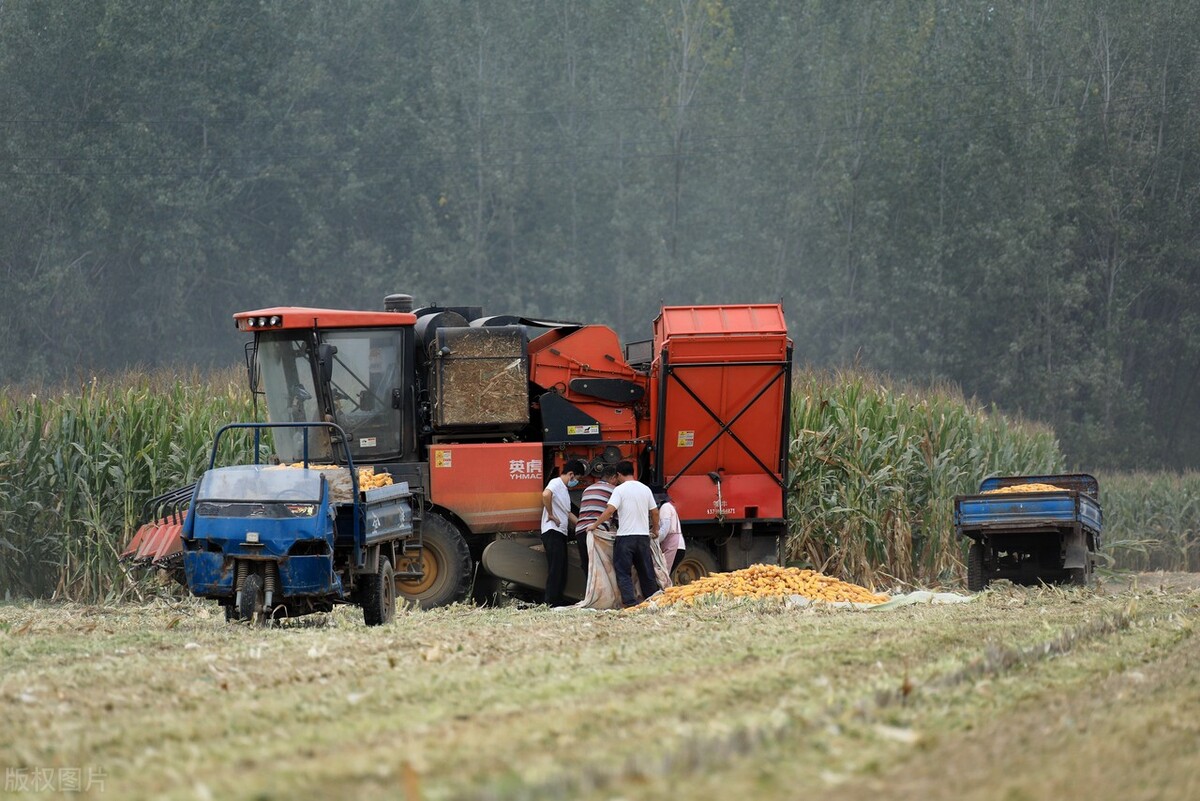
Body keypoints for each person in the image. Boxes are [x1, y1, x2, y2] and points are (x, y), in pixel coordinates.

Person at [585, 461, 660, 608]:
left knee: (623, 572)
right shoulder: (645, 489)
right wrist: (655, 529)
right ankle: (653, 601)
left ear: (618, 474)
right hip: (643, 538)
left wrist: (594, 525)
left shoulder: (619, 490)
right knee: (646, 572)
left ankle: (630, 604)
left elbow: (610, 511)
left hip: (625, 538)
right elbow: (655, 512)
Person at [540, 459, 586, 607]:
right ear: (571, 474)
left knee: (561, 567)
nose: (576, 482)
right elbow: (546, 495)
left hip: (560, 532)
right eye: (577, 479)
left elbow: (568, 514)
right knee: (555, 567)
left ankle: (557, 599)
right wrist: (551, 514)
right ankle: (551, 601)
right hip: (552, 530)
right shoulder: (556, 483)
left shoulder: (564, 490)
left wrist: (584, 526)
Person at [575, 465, 621, 609]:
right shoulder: (614, 490)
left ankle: (591, 597)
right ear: (613, 478)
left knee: (587, 566)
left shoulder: (588, 489)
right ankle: (602, 600)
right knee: (603, 568)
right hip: (596, 533)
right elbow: (615, 513)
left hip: (581, 531)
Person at [655, 489, 686, 576]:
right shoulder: (669, 506)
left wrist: (655, 541)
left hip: (673, 545)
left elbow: (665, 529)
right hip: (677, 545)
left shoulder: (665, 508)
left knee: (663, 576)